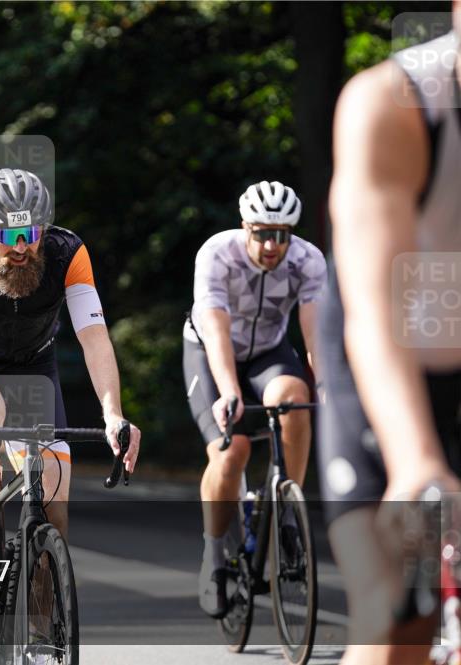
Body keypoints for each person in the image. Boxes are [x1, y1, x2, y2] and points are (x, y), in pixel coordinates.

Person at [0, 167, 141, 608]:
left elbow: (94, 337)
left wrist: (113, 414)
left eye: (32, 233)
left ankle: (42, 630)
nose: (23, 247)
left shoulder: (68, 253)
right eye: (10, 235)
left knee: (55, 502)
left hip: (35, 364)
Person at [317, 11, 461, 664]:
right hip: (390, 358)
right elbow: (376, 310)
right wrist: (416, 461)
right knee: (398, 606)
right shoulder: (393, 104)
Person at [183, 180, 327, 617]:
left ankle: (287, 513)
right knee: (232, 452)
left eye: (281, 235)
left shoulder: (307, 260)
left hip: (267, 352)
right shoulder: (217, 253)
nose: (271, 245)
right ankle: (213, 556)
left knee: (296, 398)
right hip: (210, 351)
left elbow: (315, 333)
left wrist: (324, 384)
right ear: (245, 227)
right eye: (262, 233)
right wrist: (229, 391)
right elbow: (216, 330)